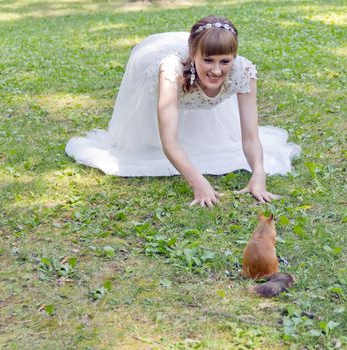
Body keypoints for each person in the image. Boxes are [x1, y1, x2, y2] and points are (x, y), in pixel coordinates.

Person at [66, 16, 300, 207]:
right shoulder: (171, 70)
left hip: (195, 69)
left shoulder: (243, 71)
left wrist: (258, 175)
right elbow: (169, 141)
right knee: (149, 141)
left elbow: (249, 135)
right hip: (151, 67)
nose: (217, 70)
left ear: (234, 58)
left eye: (225, 61)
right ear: (194, 55)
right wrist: (198, 182)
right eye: (208, 60)